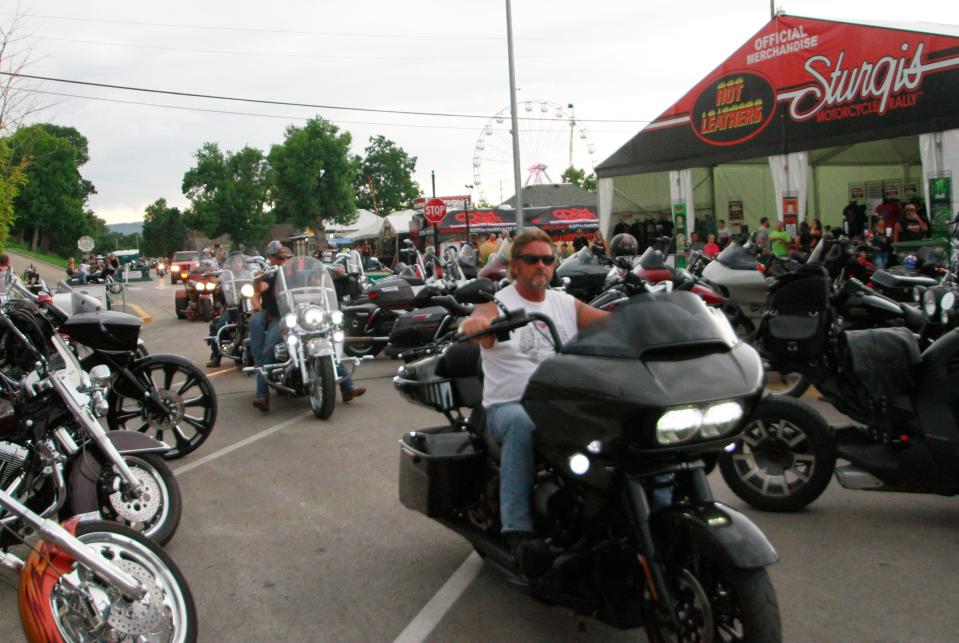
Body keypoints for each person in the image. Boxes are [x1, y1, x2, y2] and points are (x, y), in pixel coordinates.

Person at [459, 227, 608, 576]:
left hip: (563, 405)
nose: (540, 265)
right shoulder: (499, 303)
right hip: (510, 405)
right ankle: (518, 530)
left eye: (546, 259)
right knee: (523, 425)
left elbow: (611, 324)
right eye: (531, 259)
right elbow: (474, 323)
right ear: (515, 266)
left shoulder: (564, 303)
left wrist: (649, 316)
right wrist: (477, 326)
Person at [249, 241, 365, 411]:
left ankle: (347, 389)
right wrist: (257, 278)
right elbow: (259, 288)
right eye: (282, 258)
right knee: (268, 350)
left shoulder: (302, 274)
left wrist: (338, 273)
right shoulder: (272, 276)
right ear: (275, 260)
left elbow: (320, 279)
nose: (286, 261)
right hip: (281, 319)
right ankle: (262, 395)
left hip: (306, 316)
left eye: (289, 258)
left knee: (328, 346)